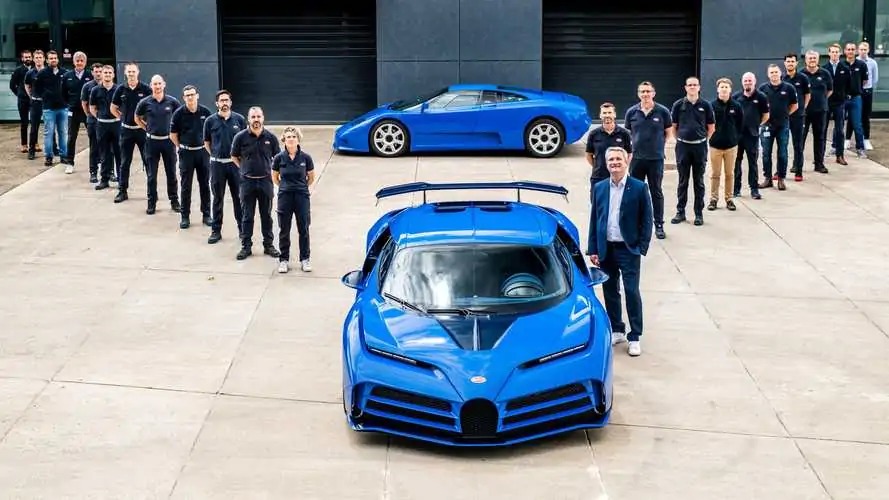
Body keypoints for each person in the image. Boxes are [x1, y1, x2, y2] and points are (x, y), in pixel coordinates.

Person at [587, 147, 653, 357]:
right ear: (606, 164)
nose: (614, 163)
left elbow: (647, 219)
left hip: (628, 249)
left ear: (626, 162)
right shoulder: (599, 188)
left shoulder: (639, 187)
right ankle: (617, 329)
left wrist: (641, 247)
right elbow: (594, 219)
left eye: (618, 159)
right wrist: (593, 248)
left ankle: (635, 336)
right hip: (607, 248)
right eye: (611, 160)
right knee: (610, 290)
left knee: (631, 291)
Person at [230, 106, 281, 260]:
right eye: (253, 117)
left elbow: (278, 158)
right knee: (247, 216)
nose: (256, 120)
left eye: (258, 116)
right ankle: (246, 247)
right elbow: (234, 156)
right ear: (248, 119)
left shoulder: (271, 138)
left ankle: (268, 245)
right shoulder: (240, 137)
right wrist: (244, 169)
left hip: (266, 182)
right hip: (247, 183)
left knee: (266, 216)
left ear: (263, 118)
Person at [624, 81, 672, 240]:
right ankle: (636, 225)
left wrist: (660, 146)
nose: (645, 94)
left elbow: (668, 133)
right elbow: (629, 134)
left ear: (654, 93)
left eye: (648, 91)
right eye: (642, 91)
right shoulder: (632, 112)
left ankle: (659, 224)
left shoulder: (663, 111)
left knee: (656, 191)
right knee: (635, 192)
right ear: (638, 94)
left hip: (655, 159)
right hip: (637, 159)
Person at [203, 89, 247, 244]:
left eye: (226, 100)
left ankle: (242, 230)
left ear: (231, 102)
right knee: (217, 199)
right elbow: (207, 143)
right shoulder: (210, 121)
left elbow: (244, 142)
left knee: (238, 198)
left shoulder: (239, 119)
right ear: (217, 103)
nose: (224, 103)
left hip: (235, 166)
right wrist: (216, 156)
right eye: (221, 101)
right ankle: (216, 231)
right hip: (217, 166)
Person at [670, 76, 715, 226]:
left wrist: (702, 139)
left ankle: (698, 213)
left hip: (699, 147)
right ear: (685, 87)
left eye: (695, 85)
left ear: (699, 87)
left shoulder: (706, 105)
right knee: (683, 181)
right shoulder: (678, 105)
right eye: (689, 85)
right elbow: (674, 126)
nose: (692, 87)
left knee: (699, 182)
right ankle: (680, 212)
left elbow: (711, 127)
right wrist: (680, 139)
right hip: (683, 147)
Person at [134, 74, 181, 215]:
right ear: (151, 86)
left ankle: (174, 201)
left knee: (171, 173)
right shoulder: (145, 102)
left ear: (164, 84)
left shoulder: (172, 102)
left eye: (159, 83)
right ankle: (151, 202)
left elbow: (180, 118)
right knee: (151, 175)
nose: (157, 86)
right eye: (155, 84)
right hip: (151, 142)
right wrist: (147, 128)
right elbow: (137, 118)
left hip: (168, 142)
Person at [272, 126, 315, 273]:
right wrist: (285, 187)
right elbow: (275, 177)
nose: (291, 139)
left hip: (302, 197)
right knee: (284, 229)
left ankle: (305, 259)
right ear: (284, 140)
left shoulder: (306, 158)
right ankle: (283, 260)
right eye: (288, 137)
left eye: (294, 137)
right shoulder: (279, 158)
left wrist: (300, 187)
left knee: (303, 228)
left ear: (298, 139)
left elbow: (311, 177)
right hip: (285, 197)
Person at [170, 85, 213, 229]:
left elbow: (211, 133)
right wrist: (182, 147)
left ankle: (206, 215)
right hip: (186, 154)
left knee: (205, 185)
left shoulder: (206, 112)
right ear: (184, 98)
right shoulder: (178, 114)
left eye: (192, 94)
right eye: (187, 95)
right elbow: (173, 135)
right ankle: (185, 217)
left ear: (197, 95)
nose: (190, 97)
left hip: (202, 153)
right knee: (186, 186)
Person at [110, 62, 150, 203]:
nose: (131, 74)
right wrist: (123, 118)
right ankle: (122, 191)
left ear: (138, 72)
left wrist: (145, 123)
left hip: (141, 131)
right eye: (129, 72)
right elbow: (113, 108)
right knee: (124, 162)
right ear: (125, 73)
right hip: (126, 131)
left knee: (148, 162)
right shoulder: (121, 89)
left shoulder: (146, 89)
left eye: (133, 71)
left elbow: (151, 108)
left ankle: (151, 192)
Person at [759, 64, 798, 191]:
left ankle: (781, 178)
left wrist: (785, 115)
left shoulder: (789, 88)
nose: (774, 74)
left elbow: (795, 105)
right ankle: (768, 179)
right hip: (767, 126)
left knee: (782, 153)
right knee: (766, 153)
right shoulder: (763, 89)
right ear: (768, 74)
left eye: (776, 72)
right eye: (771, 72)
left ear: (780, 73)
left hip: (783, 126)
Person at [708, 78, 744, 211]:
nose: (724, 89)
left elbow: (740, 125)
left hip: (731, 147)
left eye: (726, 87)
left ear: (730, 89)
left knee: (729, 174)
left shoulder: (737, 106)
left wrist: (735, 138)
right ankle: (713, 199)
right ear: (718, 89)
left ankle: (729, 199)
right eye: (722, 87)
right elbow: (707, 124)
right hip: (715, 146)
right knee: (715, 174)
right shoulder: (711, 106)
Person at [585, 102, 632, 201]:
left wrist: (622, 167)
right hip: (598, 176)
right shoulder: (594, 134)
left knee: (618, 204)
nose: (607, 115)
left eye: (609, 113)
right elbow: (588, 155)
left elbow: (629, 154)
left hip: (618, 176)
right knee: (597, 204)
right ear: (600, 115)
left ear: (614, 114)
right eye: (604, 113)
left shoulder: (624, 134)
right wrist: (597, 165)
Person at [733, 72, 770, 199]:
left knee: (753, 163)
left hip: (752, 136)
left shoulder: (761, 97)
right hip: (737, 136)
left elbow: (766, 115)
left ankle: (754, 189)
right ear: (742, 82)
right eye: (745, 81)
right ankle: (736, 189)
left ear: (754, 82)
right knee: (736, 163)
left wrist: (756, 125)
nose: (747, 83)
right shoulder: (736, 97)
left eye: (750, 81)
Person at [32, 50, 68, 168]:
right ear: (47, 60)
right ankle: (48, 156)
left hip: (63, 108)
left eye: (55, 58)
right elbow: (36, 88)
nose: (53, 60)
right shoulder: (42, 73)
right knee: (48, 133)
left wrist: (67, 100)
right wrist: (45, 96)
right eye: (51, 58)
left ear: (58, 59)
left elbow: (68, 88)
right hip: (49, 108)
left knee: (63, 133)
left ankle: (64, 156)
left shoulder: (64, 72)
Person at [88, 65, 121, 190]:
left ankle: (121, 180)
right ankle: (104, 180)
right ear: (101, 74)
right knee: (104, 153)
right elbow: (92, 108)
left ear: (113, 75)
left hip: (116, 125)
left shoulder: (119, 89)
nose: (107, 75)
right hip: (102, 125)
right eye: (105, 72)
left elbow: (122, 107)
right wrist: (100, 117)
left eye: (109, 73)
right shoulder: (95, 90)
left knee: (119, 153)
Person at [801, 50, 833, 177]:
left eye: (814, 58)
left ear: (818, 60)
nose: (812, 60)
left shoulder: (825, 74)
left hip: (820, 111)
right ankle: (797, 164)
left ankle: (819, 164)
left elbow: (830, 90)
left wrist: (821, 100)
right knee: (800, 138)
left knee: (820, 138)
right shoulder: (801, 74)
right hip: (804, 112)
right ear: (806, 60)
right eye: (810, 58)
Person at [61, 51, 93, 167]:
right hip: (73, 111)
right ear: (74, 62)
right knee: (71, 137)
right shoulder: (67, 76)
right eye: (77, 61)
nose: (79, 63)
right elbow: (63, 93)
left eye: (81, 61)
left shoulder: (90, 76)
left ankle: (96, 161)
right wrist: (70, 104)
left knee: (93, 136)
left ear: (85, 62)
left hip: (87, 112)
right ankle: (70, 162)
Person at [782, 53, 811, 181]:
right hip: (784, 117)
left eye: (792, 61)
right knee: (782, 145)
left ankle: (798, 171)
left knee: (798, 144)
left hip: (798, 116)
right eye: (788, 61)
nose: (790, 63)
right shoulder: (782, 78)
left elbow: (807, 95)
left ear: (796, 63)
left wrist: (803, 108)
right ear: (785, 63)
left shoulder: (803, 78)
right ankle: (780, 171)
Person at [80, 63, 104, 183]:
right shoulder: (87, 86)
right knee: (94, 147)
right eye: (96, 71)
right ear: (92, 72)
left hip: (106, 122)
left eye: (100, 71)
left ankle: (109, 172)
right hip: (93, 122)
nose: (98, 74)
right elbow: (84, 104)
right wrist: (90, 115)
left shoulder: (109, 86)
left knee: (108, 148)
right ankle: (93, 172)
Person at [853, 41, 878, 150]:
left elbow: (875, 78)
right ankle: (847, 140)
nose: (863, 51)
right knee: (853, 116)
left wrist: (870, 88)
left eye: (865, 49)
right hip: (856, 91)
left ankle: (866, 139)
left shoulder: (872, 63)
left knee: (865, 116)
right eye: (861, 49)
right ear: (858, 50)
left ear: (868, 50)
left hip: (867, 91)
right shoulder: (854, 61)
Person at [9, 49, 33, 154]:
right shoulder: (18, 70)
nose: (28, 59)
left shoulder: (35, 69)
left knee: (35, 122)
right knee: (24, 122)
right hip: (23, 100)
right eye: (26, 57)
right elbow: (12, 85)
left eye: (29, 57)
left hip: (34, 100)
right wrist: (19, 94)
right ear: (22, 58)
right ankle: (24, 144)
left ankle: (35, 143)